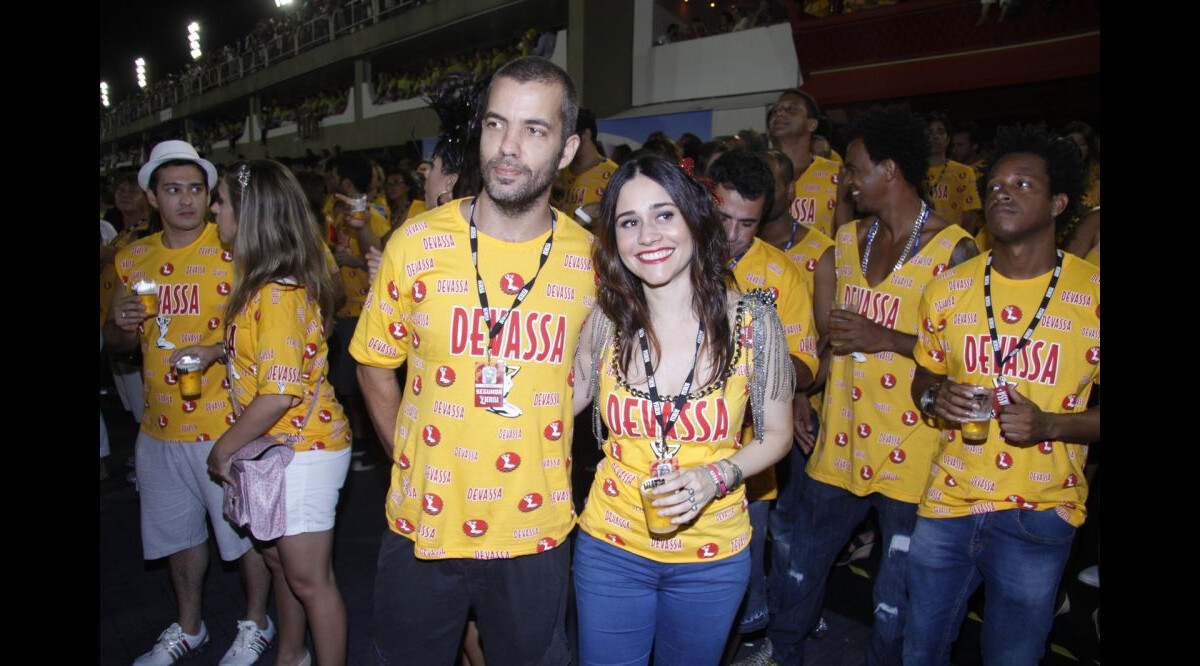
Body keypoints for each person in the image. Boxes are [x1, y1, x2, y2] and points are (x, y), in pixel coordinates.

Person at [351, 56, 593, 665]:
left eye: (533, 130)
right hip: (421, 524)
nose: (508, 147)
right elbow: (373, 365)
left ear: (566, 150)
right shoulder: (416, 244)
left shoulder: (593, 261)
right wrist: (404, 458)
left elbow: (596, 373)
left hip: (533, 530)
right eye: (495, 124)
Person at [767, 106, 978, 666]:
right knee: (799, 565)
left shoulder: (955, 251)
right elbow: (833, 337)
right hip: (840, 436)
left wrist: (886, 335)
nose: (846, 181)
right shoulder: (846, 240)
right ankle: (781, 651)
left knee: (894, 597)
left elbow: (966, 363)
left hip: (915, 449)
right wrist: (804, 397)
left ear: (890, 168)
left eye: (855, 169)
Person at [571, 153, 796, 665]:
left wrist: (714, 477)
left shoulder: (754, 323)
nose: (647, 234)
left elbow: (777, 433)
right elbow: (555, 406)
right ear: (614, 239)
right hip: (611, 545)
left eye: (664, 214)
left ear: (695, 218)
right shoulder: (604, 322)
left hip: (712, 557)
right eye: (629, 222)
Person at [905, 124, 1100, 665]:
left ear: (1059, 202)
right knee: (919, 649)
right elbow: (923, 375)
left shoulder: (1092, 295)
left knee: (1013, 657)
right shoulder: (947, 288)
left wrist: (1051, 425)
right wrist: (933, 397)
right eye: (994, 184)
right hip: (946, 502)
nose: (1000, 193)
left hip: (1039, 512)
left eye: (1021, 183)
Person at [106, 140, 274, 666]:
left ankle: (256, 623)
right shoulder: (132, 257)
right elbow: (117, 346)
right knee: (178, 536)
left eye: (195, 190)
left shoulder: (236, 246)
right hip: (157, 426)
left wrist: (216, 349)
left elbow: (271, 328)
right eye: (172, 190)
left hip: (227, 424)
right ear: (152, 197)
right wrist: (120, 324)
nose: (186, 200)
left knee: (244, 537)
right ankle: (190, 626)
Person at [202, 160, 352, 666]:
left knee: (310, 579)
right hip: (280, 447)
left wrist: (223, 450)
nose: (212, 208)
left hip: (304, 448)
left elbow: (279, 393)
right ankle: (291, 654)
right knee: (280, 561)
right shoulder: (264, 284)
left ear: (249, 216)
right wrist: (217, 352)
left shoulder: (276, 294)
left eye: (220, 200)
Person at [706, 148, 818, 655]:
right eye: (722, 217)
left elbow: (806, 367)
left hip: (750, 463)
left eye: (745, 224)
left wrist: (751, 358)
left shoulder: (781, 276)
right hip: (668, 454)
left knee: (739, 589)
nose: (730, 234)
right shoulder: (669, 256)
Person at [767, 88, 848, 239]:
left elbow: (845, 239)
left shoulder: (836, 174)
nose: (780, 113)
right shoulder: (759, 172)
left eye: (791, 109)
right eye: (776, 110)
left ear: (812, 124)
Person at [552, 107, 617, 226]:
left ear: (586, 135)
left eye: (568, 136)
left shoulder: (613, 175)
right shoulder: (559, 174)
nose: (563, 143)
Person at [925, 112, 983, 233]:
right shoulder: (912, 173)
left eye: (940, 132)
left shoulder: (964, 172)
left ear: (948, 139)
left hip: (953, 243)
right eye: (930, 133)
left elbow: (970, 214)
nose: (935, 137)